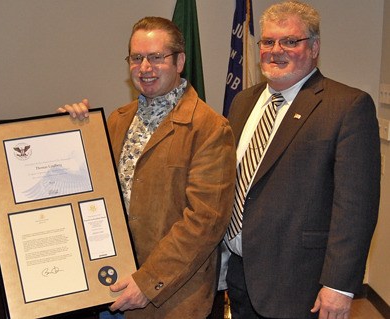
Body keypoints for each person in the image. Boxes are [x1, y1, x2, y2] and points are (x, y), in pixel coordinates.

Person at [59, 16, 236, 318]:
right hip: (109, 288)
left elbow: (205, 224)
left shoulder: (210, 129)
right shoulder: (116, 120)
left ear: (180, 61)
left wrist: (147, 282)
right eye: (136, 57)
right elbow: (89, 191)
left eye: (156, 57)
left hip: (170, 299)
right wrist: (72, 133)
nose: (144, 67)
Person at [221, 1, 380, 318]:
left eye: (290, 41)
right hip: (239, 273)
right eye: (267, 41)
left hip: (299, 284)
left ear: (315, 47)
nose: (275, 50)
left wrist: (338, 285)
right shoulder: (243, 102)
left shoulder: (347, 106)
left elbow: (356, 206)